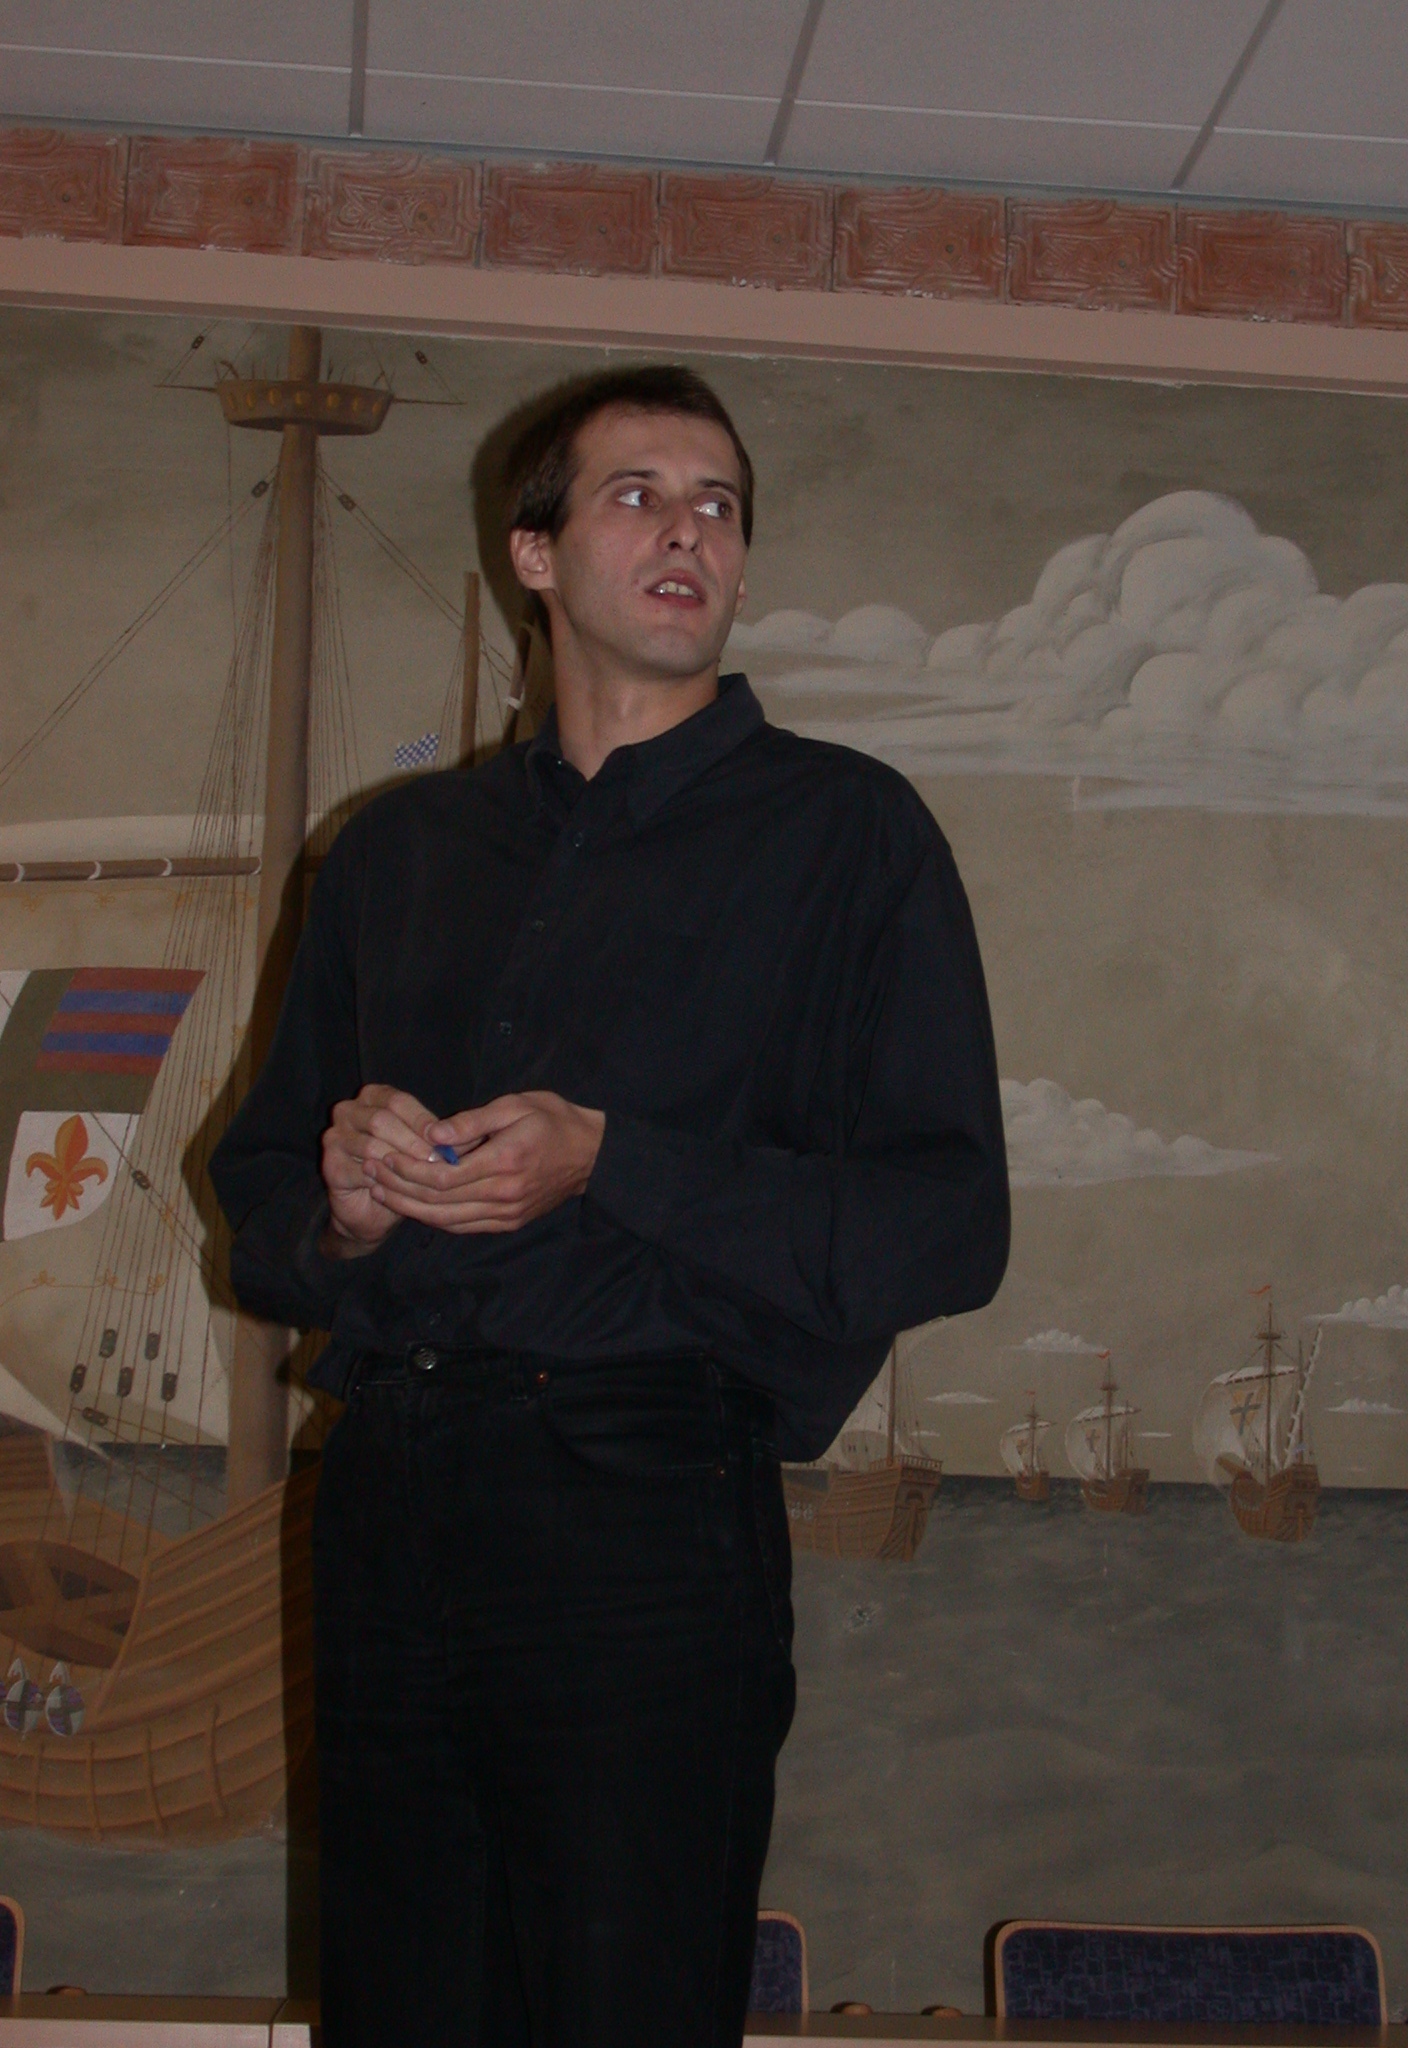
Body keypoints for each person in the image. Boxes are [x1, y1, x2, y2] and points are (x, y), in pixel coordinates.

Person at [210, 363, 1010, 2048]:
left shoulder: (849, 837)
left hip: (645, 1501)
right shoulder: (395, 854)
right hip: (385, 1493)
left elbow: (950, 1226)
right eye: (638, 496)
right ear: (534, 554)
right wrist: (346, 1211)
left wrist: (614, 1159)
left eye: (719, 505)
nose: (688, 533)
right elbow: (262, 1195)